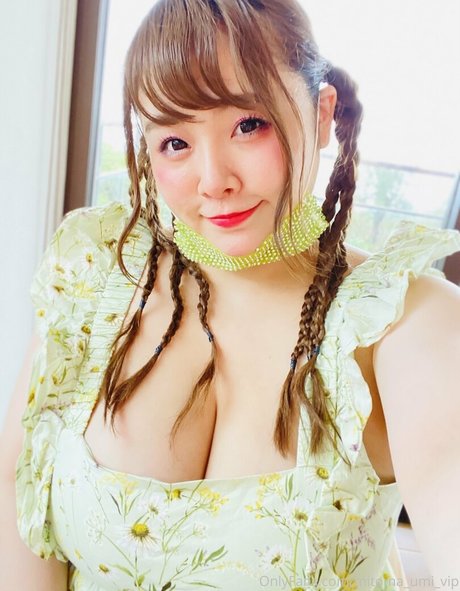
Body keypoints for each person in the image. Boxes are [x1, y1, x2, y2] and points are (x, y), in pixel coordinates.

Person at [2, 0, 459, 589]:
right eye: (175, 142)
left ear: (322, 115)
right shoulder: (96, 271)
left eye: (249, 124)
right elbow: (18, 488)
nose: (214, 180)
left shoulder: (406, 321)